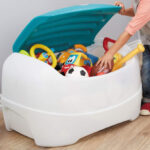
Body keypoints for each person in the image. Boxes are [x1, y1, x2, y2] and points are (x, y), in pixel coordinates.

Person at [96, 0, 150, 115]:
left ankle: (148, 101)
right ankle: (147, 100)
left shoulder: (147, 5)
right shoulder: (138, 1)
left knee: (147, 71)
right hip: (147, 41)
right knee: (146, 72)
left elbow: (129, 31)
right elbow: (136, 12)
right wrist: (124, 12)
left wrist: (110, 53)